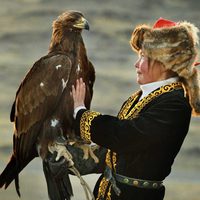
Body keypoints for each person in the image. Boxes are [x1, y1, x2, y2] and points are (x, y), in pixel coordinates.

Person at [70, 17, 200, 200]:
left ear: (164, 63)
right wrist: (77, 157)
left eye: (143, 57)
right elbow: (125, 153)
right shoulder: (142, 97)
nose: (136, 64)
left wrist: (81, 114)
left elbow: (126, 137)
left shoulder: (175, 104)